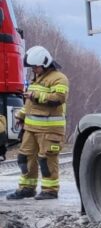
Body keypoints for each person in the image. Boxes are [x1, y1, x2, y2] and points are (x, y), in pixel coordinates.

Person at [7, 46, 68, 201]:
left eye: (35, 67)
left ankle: (50, 190)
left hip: (49, 130)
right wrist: (21, 115)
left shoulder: (59, 78)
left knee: (46, 159)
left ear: (45, 63)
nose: (33, 70)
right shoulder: (37, 78)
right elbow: (29, 104)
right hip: (31, 128)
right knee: (25, 157)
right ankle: (27, 188)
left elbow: (58, 98)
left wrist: (35, 95)